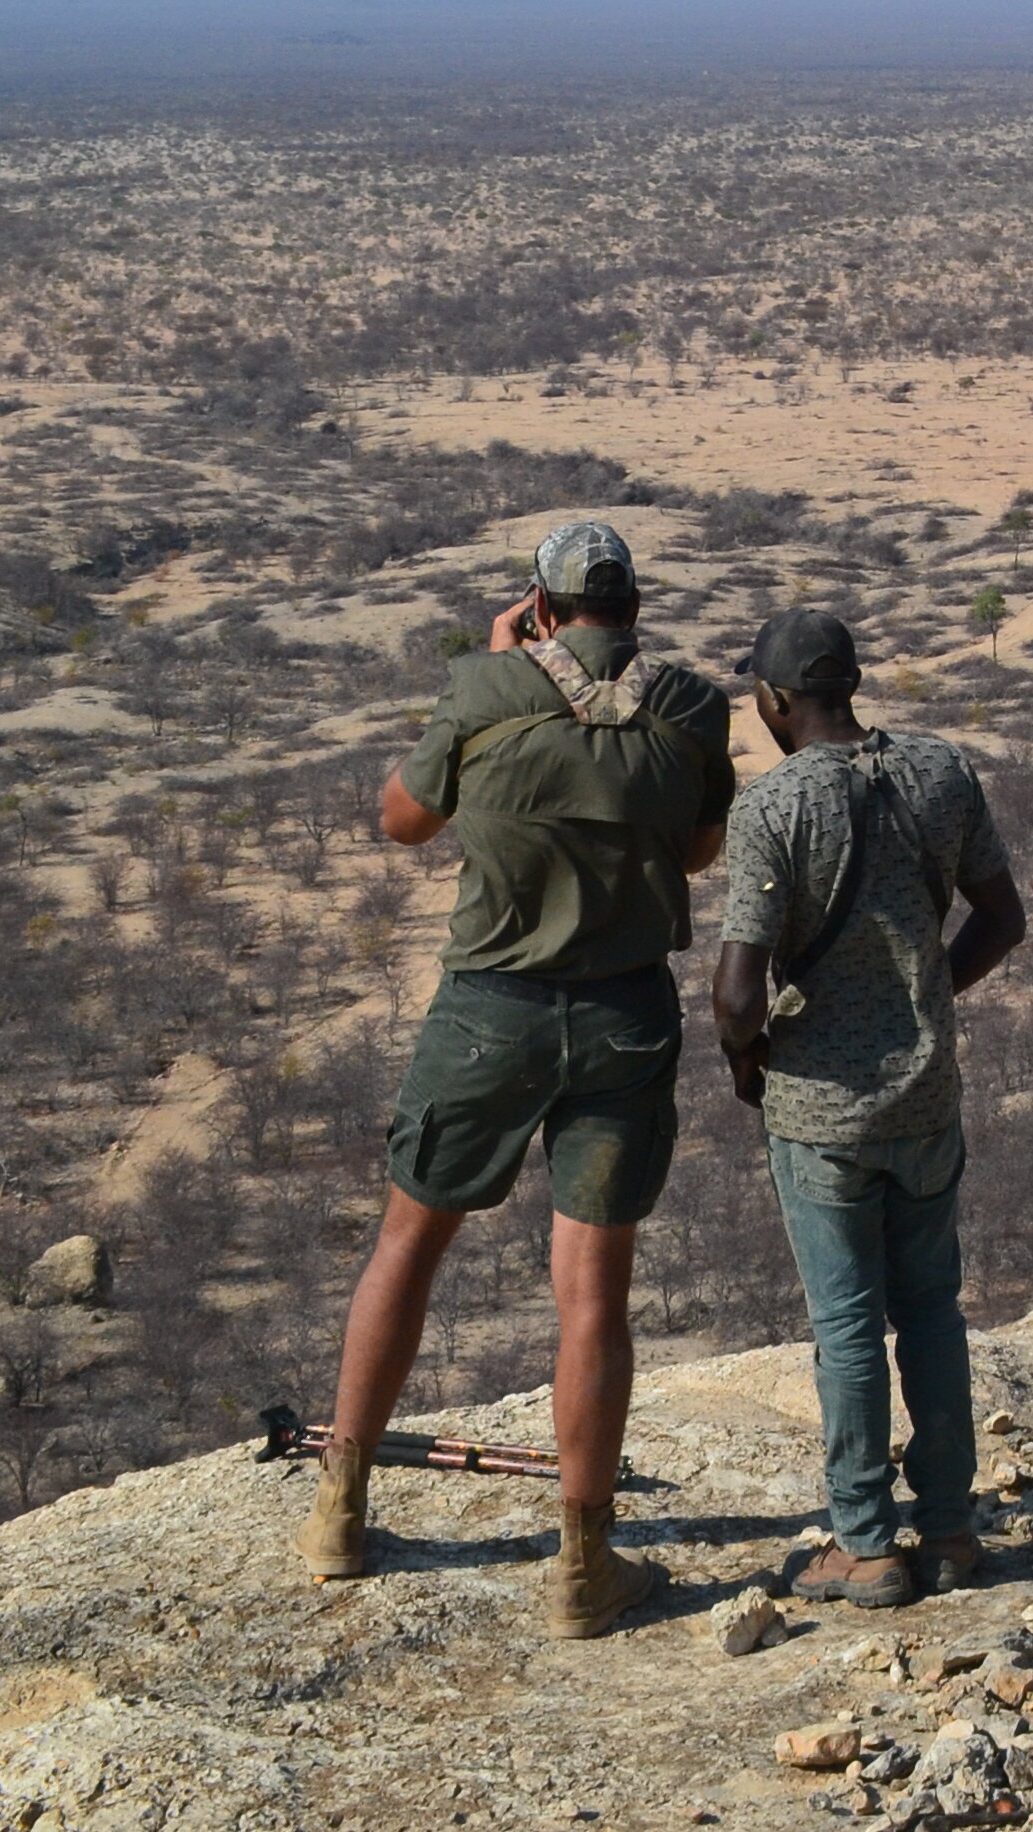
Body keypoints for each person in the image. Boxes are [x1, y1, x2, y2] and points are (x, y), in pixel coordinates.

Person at [304, 518, 734, 1635]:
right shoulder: (690, 709)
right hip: (624, 1014)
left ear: (539, 608)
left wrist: (501, 667)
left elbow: (402, 823)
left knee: (408, 1243)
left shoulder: (484, 691)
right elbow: (695, 854)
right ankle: (584, 1571)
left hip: (488, 1011)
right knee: (593, 1294)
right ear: (633, 611)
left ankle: (339, 1521)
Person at [709, 606, 1027, 1606]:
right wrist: (923, 994)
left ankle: (865, 1543)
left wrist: (746, 1056)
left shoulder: (773, 809)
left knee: (846, 1321)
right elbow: (1001, 917)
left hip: (823, 1113)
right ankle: (950, 1531)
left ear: (772, 700)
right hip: (927, 1095)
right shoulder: (937, 771)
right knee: (931, 1305)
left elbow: (733, 994)